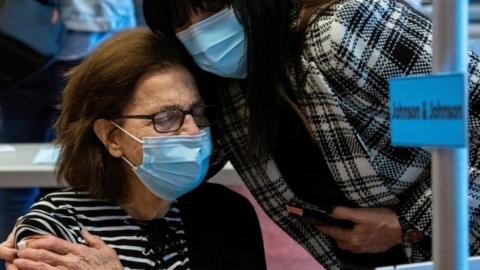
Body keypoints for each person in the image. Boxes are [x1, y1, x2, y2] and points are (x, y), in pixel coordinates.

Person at [2, 0, 480, 269]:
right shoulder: (227, 94)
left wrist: (412, 224)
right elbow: (150, 164)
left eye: (210, 8)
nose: (199, 32)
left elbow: (469, 127)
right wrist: (41, 231)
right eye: (180, 21)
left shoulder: (340, 39)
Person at [1, 28, 267, 270]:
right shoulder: (57, 229)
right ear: (112, 137)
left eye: (197, 112)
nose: (194, 131)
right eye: (166, 118)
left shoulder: (227, 214)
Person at [0, 1, 137, 265]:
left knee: (16, 173)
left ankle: (17, 257)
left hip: (24, 40)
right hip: (89, 41)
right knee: (85, 172)